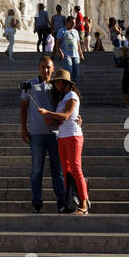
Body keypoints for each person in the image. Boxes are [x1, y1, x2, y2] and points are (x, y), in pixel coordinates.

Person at [19, 54, 66, 214]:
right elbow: (23, 107)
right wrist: (24, 129)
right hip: (37, 134)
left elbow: (67, 108)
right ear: (39, 68)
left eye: (49, 67)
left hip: (55, 134)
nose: (46, 70)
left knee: (57, 170)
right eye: (43, 66)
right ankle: (37, 202)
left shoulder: (58, 86)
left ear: (53, 69)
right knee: (36, 170)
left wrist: (76, 119)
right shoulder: (30, 85)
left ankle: (61, 201)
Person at [37, 68, 88, 215]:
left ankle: (84, 203)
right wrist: (51, 120)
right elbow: (61, 121)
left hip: (73, 136)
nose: (56, 84)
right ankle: (70, 201)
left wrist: (48, 113)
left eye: (59, 82)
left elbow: (66, 116)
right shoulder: (62, 98)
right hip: (63, 136)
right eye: (56, 82)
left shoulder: (72, 95)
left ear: (66, 83)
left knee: (76, 169)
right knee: (66, 171)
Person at [55, 15, 83, 84]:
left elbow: (78, 43)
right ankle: (69, 86)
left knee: (76, 72)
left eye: (74, 23)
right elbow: (57, 43)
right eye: (72, 22)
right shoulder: (61, 31)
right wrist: (60, 52)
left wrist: (81, 54)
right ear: (67, 22)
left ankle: (75, 87)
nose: (73, 24)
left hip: (75, 54)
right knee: (69, 71)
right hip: (66, 54)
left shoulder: (75, 31)